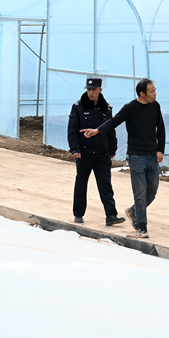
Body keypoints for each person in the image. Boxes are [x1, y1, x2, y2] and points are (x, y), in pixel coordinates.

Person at [80, 78, 165, 238]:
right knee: (140, 192)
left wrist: (160, 150)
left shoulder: (155, 106)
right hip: (136, 156)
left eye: (155, 90)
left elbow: (160, 128)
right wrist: (97, 131)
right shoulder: (130, 108)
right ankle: (141, 226)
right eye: (152, 91)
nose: (155, 93)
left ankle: (133, 211)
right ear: (142, 93)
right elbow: (113, 122)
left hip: (152, 155)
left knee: (152, 191)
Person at [67, 78, 126, 227]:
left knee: (105, 185)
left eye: (94, 90)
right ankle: (78, 213)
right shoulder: (78, 107)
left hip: (102, 154)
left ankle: (111, 215)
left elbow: (110, 129)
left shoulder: (106, 108)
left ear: (100, 90)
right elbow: (72, 130)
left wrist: (112, 149)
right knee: (81, 184)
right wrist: (75, 149)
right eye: (88, 90)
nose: (91, 93)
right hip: (84, 153)